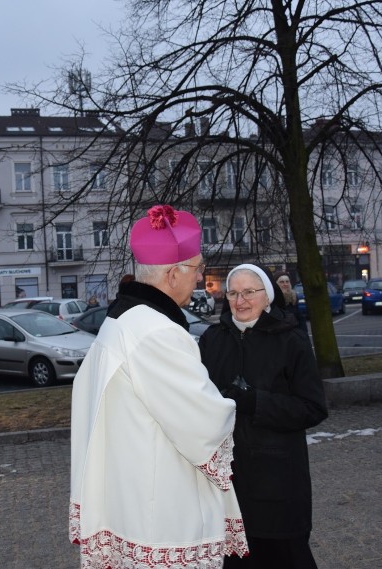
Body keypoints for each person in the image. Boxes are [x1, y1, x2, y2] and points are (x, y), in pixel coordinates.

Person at [70, 205, 247, 568]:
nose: (200, 278)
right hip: (163, 511)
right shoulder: (157, 332)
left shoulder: (121, 321)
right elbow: (203, 421)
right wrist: (234, 402)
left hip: (130, 494)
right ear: (172, 274)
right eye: (197, 268)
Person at [199, 264, 328, 568]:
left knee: (285, 557)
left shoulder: (291, 339)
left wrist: (256, 402)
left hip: (278, 479)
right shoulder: (212, 340)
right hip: (228, 480)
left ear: (267, 296)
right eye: (232, 293)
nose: (240, 300)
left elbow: (312, 407)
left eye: (249, 292)